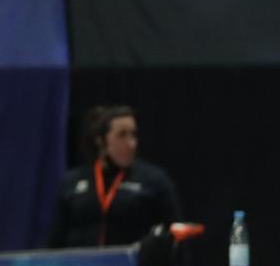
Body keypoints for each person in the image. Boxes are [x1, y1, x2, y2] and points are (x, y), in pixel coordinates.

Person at [48, 106, 181, 248]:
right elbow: (55, 240)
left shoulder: (153, 180)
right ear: (100, 140)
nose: (131, 143)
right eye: (122, 135)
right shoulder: (72, 181)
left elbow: (174, 234)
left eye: (133, 134)